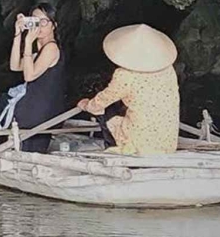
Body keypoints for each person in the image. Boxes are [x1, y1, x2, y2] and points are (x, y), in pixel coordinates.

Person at [77, 23, 180, 155]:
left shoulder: (125, 75)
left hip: (141, 145)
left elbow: (103, 99)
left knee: (105, 110)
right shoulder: (167, 69)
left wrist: (86, 105)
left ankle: (114, 146)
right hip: (167, 142)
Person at [0, 4, 67, 153]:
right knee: (3, 101)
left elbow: (29, 76)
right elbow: (15, 66)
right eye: (36, 21)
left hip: (42, 108)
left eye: (44, 22)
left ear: (54, 26)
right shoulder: (41, 51)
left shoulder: (51, 48)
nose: (40, 26)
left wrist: (29, 43)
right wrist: (18, 34)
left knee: (5, 104)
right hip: (36, 103)